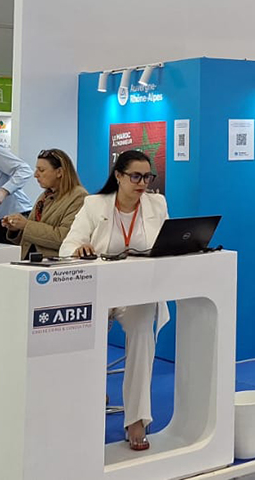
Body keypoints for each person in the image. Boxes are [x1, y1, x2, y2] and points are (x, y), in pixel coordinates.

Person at [60, 150, 168, 451]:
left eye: (147, 177)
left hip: (138, 293)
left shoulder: (157, 204)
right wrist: (80, 250)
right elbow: (67, 246)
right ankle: (85, 406)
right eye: (136, 176)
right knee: (86, 337)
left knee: (143, 333)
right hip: (98, 292)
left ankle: (137, 418)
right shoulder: (95, 205)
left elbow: (167, 245)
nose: (142, 183)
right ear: (118, 176)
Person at [1, 148, 87, 261]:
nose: (35, 175)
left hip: (53, 264)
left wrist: (26, 225)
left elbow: (66, 238)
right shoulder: (45, 196)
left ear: (59, 172)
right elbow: (31, 237)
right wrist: (15, 228)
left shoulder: (78, 197)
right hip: (30, 261)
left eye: (41, 170)